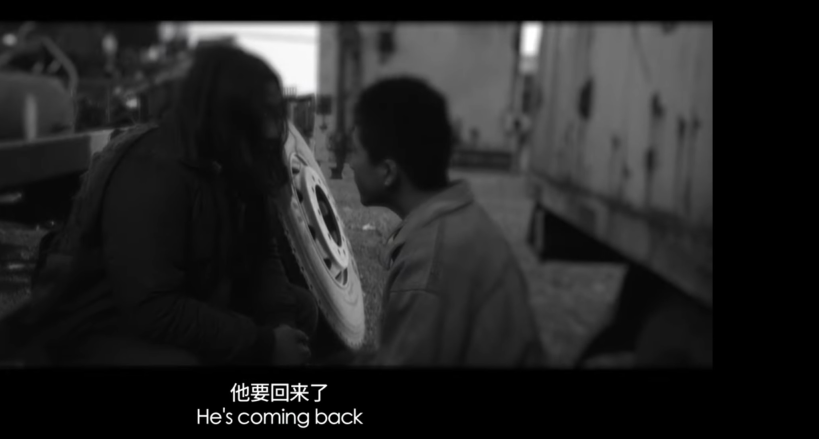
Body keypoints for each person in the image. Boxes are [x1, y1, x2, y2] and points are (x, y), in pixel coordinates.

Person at [36, 44, 318, 366]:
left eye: (274, 110)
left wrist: (282, 325)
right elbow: (152, 308)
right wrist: (264, 344)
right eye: (261, 112)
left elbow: (263, 255)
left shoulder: (236, 160)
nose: (271, 128)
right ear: (225, 111)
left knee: (301, 309)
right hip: (104, 324)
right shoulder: (154, 169)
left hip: (192, 295)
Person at [345, 77, 545, 367]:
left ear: (388, 172)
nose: (351, 163)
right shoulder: (454, 223)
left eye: (355, 151)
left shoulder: (428, 264)